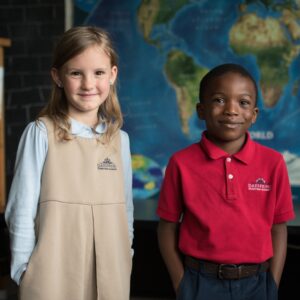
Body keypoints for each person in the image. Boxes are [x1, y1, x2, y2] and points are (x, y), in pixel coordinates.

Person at [5, 26, 134, 300]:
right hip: (50, 274)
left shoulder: (119, 140)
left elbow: (126, 210)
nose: (88, 84)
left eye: (98, 73)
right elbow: (20, 210)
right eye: (76, 73)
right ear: (58, 77)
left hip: (112, 274)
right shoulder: (40, 133)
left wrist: (127, 256)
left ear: (112, 75)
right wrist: (23, 270)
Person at [156, 63, 295, 300]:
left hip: (258, 284)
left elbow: (278, 228)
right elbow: (167, 227)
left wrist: (272, 283)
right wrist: (182, 285)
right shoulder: (181, 163)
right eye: (219, 100)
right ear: (201, 110)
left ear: (254, 114)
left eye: (243, 102)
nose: (231, 110)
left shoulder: (273, 163)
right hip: (200, 283)